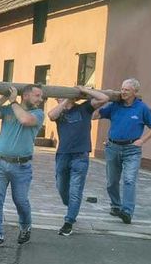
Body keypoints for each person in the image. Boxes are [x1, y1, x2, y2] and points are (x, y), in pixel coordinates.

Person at [0, 84, 45, 248]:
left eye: (41, 96)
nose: (40, 99)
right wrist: (4, 97)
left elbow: (24, 120)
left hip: (22, 166)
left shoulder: (38, 113)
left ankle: (25, 227)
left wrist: (13, 102)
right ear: (26, 95)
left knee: (21, 200)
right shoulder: (8, 110)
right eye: (37, 95)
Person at [47, 84, 110, 236]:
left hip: (80, 156)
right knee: (62, 187)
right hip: (63, 154)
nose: (58, 100)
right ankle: (72, 207)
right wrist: (65, 101)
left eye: (60, 97)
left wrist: (83, 90)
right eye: (57, 98)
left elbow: (104, 98)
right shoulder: (60, 114)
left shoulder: (84, 108)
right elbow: (51, 115)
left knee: (75, 189)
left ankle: (69, 221)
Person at [98, 78, 151, 224]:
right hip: (112, 148)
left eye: (126, 90)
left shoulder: (142, 108)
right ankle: (115, 205)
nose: (123, 92)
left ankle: (127, 212)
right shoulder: (114, 105)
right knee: (112, 181)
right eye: (122, 89)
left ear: (135, 92)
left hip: (132, 150)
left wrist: (142, 140)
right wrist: (98, 101)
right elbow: (96, 116)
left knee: (129, 180)